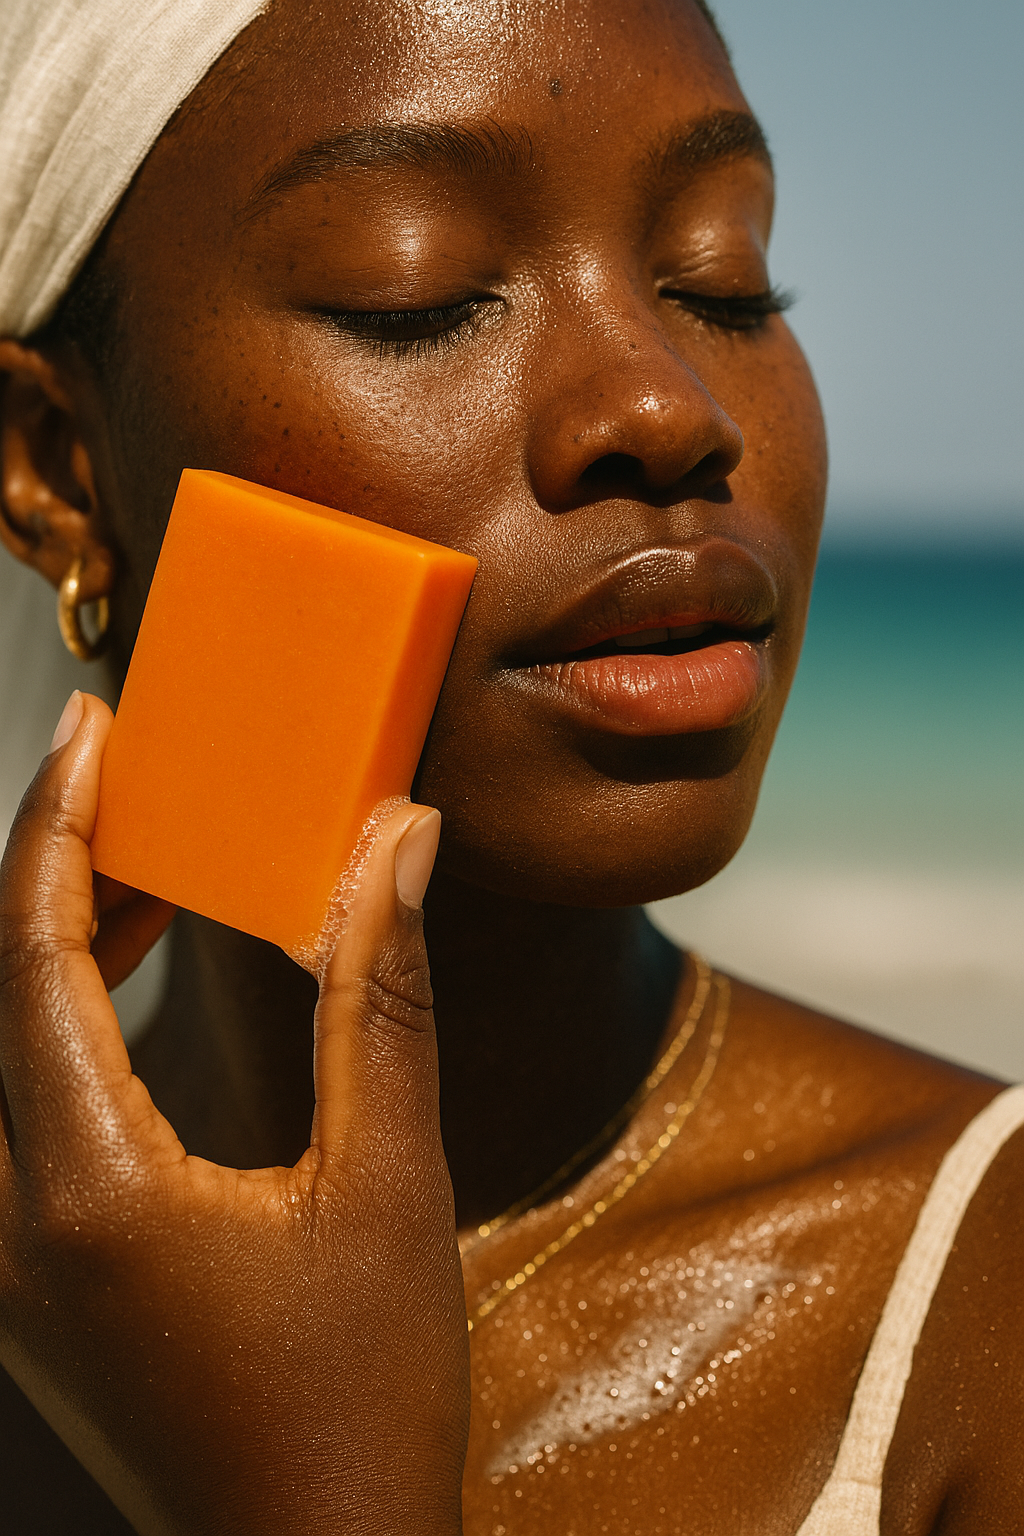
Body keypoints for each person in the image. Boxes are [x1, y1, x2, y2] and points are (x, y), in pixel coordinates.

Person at [0, 1, 1021, 1531]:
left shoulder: (976, 1296)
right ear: (62, 473)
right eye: (412, 289)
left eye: (724, 277)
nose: (670, 408)